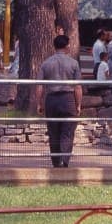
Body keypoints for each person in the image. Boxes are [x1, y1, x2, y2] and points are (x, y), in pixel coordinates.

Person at [36, 34, 82, 168]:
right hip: (68, 99)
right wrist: (78, 104)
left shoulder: (46, 63)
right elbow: (78, 86)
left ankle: (56, 161)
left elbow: (39, 85)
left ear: (54, 46)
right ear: (67, 46)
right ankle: (64, 160)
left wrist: (39, 103)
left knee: (53, 132)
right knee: (68, 131)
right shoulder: (74, 63)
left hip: (51, 98)